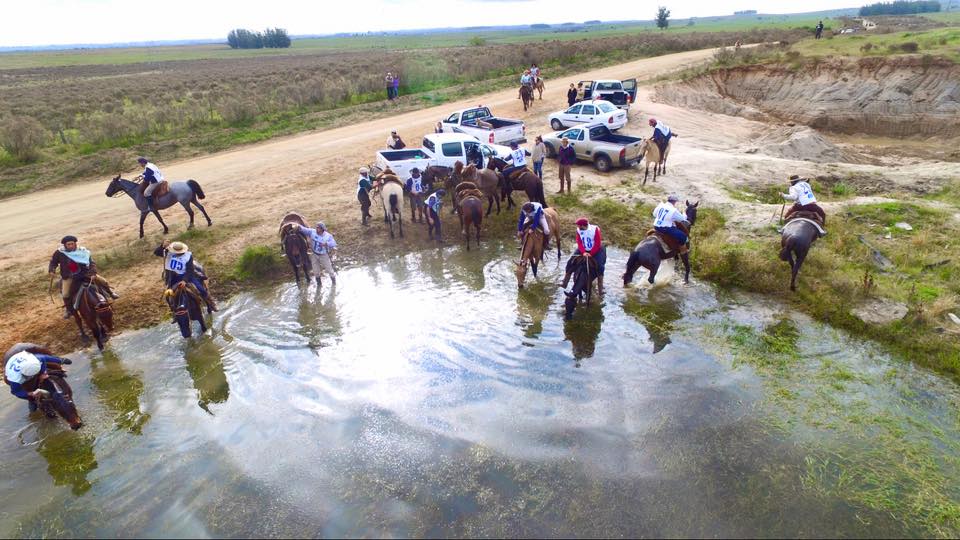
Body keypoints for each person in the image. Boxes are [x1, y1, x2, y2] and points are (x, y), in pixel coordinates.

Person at [49, 235, 119, 319]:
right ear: (65, 245)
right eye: (68, 244)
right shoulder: (59, 253)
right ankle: (69, 310)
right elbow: (53, 262)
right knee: (65, 293)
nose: (71, 246)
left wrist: (92, 273)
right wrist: (52, 270)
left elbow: (91, 263)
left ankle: (111, 293)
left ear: (75, 243)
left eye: (72, 244)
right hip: (69, 276)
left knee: (103, 281)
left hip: (86, 274)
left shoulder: (82, 251)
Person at [153, 241, 217, 312]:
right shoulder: (168, 253)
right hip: (173, 277)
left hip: (187, 275)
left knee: (202, 290)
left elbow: (190, 270)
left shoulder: (188, 256)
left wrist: (184, 280)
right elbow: (156, 252)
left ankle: (211, 304)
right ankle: (174, 311)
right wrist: (162, 246)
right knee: (168, 295)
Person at [4, 348, 70, 412]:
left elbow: (44, 358)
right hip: (15, 367)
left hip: (24, 358)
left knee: (44, 376)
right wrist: (29, 394)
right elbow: (16, 392)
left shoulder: (36, 359)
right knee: (28, 387)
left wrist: (61, 360)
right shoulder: (15, 379)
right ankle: (31, 401)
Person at [560, 218, 607, 296]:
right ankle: (564, 282)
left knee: (600, 267)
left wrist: (591, 253)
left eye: (578, 225)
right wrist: (584, 252)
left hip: (596, 250)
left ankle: (600, 289)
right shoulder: (578, 230)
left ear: (583, 225)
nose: (577, 226)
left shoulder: (595, 229)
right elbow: (579, 242)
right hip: (583, 249)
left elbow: (597, 243)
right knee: (570, 262)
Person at [297, 222, 337, 288]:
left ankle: (334, 283)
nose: (316, 228)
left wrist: (326, 244)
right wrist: (298, 226)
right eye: (316, 227)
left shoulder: (328, 236)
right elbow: (304, 229)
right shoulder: (312, 232)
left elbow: (334, 243)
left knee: (329, 270)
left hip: (324, 255)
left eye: (318, 228)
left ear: (322, 229)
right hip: (314, 255)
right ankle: (319, 284)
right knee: (316, 271)